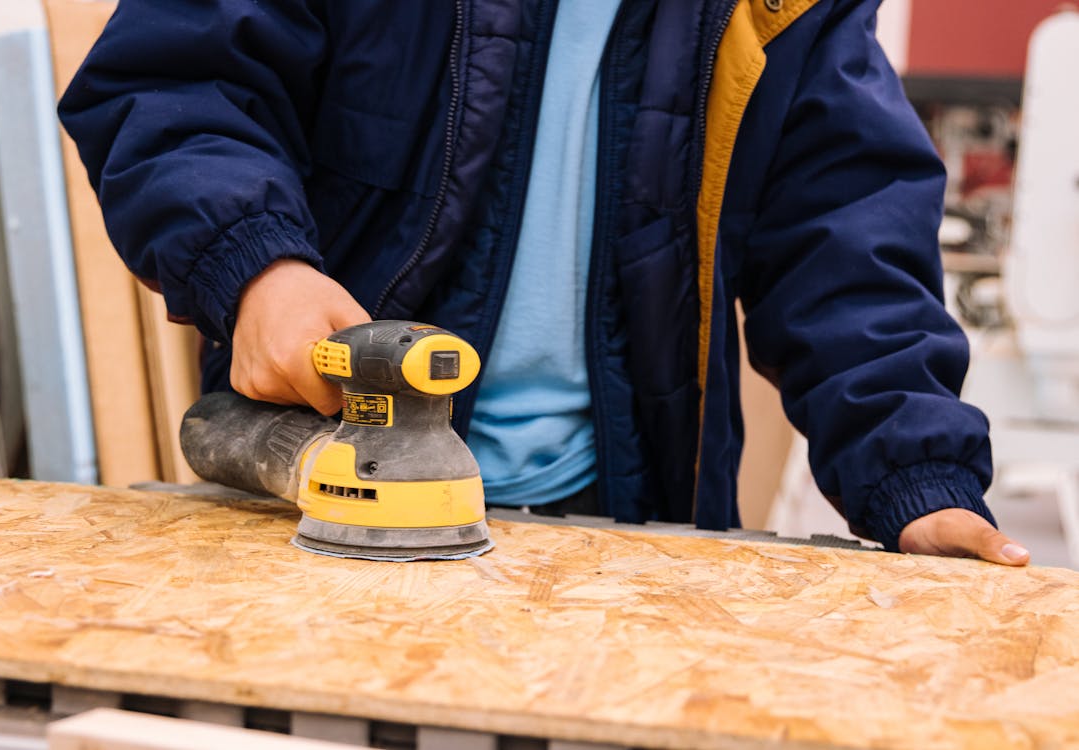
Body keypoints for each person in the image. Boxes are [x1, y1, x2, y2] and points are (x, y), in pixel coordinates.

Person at [58, 0, 1030, 565]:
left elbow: (843, 230)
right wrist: (260, 269)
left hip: (619, 536)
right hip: (322, 517)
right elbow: (175, 84)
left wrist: (916, 479)